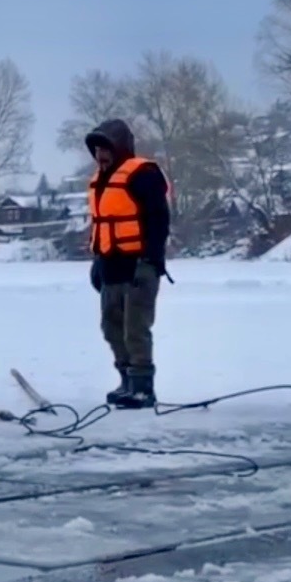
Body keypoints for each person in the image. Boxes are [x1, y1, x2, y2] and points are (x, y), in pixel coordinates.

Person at [84, 118, 171, 410]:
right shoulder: (99, 181)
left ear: (120, 147)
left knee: (135, 329)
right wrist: (98, 262)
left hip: (138, 265)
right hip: (110, 267)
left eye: (105, 148)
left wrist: (150, 261)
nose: (100, 155)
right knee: (111, 327)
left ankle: (144, 389)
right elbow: (101, 226)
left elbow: (159, 220)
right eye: (96, 150)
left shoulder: (143, 174)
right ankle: (126, 382)